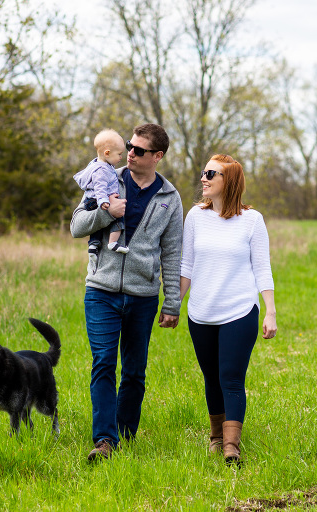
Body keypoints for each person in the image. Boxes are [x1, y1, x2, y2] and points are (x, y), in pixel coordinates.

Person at [70, 123, 183, 462]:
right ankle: (105, 441)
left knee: (134, 371)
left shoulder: (170, 198)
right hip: (101, 291)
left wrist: (173, 302)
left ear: (157, 157)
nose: (130, 153)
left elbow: (173, 254)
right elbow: (76, 226)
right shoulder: (105, 177)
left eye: (139, 150)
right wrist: (107, 214)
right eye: (129, 147)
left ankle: (125, 435)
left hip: (143, 296)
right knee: (103, 363)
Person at [179, 154, 277, 464]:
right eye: (204, 172)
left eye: (212, 173)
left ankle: (232, 446)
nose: (204, 178)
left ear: (229, 181)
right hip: (201, 312)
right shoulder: (195, 216)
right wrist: (172, 305)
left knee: (231, 377)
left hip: (239, 310)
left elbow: (262, 267)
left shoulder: (252, 220)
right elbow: (186, 264)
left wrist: (270, 310)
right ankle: (216, 437)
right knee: (211, 377)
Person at [73, 129, 129, 254]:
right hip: (97, 200)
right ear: (107, 153)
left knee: (97, 226)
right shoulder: (102, 170)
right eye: (119, 154)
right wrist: (103, 200)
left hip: (93, 200)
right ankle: (113, 243)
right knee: (118, 217)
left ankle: (93, 245)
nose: (121, 157)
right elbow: (100, 186)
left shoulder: (99, 165)